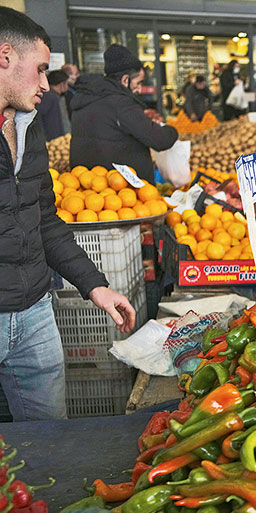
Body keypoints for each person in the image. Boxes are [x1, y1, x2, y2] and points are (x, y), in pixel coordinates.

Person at [0, 7, 136, 421]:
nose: (46, 84)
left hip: (36, 311)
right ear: (4, 56)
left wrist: (95, 286)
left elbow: (44, 220)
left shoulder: (30, 125)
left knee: (50, 440)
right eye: (40, 70)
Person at [69, 44, 179, 184]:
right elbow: (159, 140)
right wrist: (171, 130)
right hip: (121, 190)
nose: (139, 89)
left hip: (88, 186)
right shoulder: (121, 103)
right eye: (138, 83)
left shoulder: (86, 97)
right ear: (125, 80)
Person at [36, 68, 67, 140]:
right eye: (67, 84)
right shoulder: (53, 98)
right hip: (52, 140)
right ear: (62, 84)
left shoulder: (43, 96)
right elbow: (54, 123)